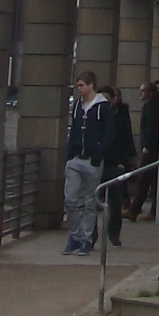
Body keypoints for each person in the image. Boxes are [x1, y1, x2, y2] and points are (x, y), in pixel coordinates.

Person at [62, 72, 113, 256]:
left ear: (91, 85)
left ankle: (85, 239)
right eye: (78, 86)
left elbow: (109, 134)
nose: (79, 89)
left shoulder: (103, 108)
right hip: (76, 158)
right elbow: (74, 130)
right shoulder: (77, 106)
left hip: (92, 160)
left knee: (90, 202)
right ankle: (75, 235)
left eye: (82, 85)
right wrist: (70, 154)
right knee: (70, 199)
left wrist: (98, 156)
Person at [100, 85, 137, 247]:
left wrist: (127, 160)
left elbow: (127, 137)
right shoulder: (96, 113)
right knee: (91, 201)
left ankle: (114, 233)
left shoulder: (121, 114)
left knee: (115, 203)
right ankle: (91, 236)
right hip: (98, 161)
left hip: (115, 162)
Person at [128, 79, 159, 220]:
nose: (140, 94)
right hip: (151, 148)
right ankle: (151, 210)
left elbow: (151, 129)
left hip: (150, 150)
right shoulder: (151, 106)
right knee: (152, 180)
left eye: (143, 91)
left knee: (143, 178)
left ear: (151, 92)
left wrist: (146, 146)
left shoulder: (151, 107)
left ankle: (134, 210)